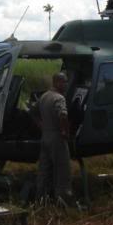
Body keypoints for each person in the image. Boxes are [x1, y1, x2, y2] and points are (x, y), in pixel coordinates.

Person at [36, 72, 73, 204]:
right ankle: (63, 199)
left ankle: (41, 198)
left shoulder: (44, 96)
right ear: (57, 82)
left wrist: (42, 126)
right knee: (62, 169)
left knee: (44, 170)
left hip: (45, 136)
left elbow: (32, 112)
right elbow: (63, 116)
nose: (66, 84)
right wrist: (65, 132)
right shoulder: (59, 98)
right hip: (57, 137)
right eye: (64, 82)